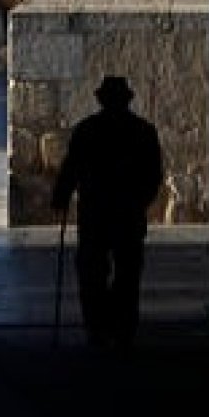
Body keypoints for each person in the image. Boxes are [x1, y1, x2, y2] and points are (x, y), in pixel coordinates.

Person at [52, 76, 163, 351]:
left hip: (98, 211)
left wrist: (61, 196)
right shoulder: (143, 131)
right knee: (126, 272)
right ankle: (120, 325)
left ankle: (99, 325)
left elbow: (70, 169)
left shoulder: (87, 130)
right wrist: (140, 201)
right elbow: (153, 176)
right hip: (123, 212)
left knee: (94, 271)